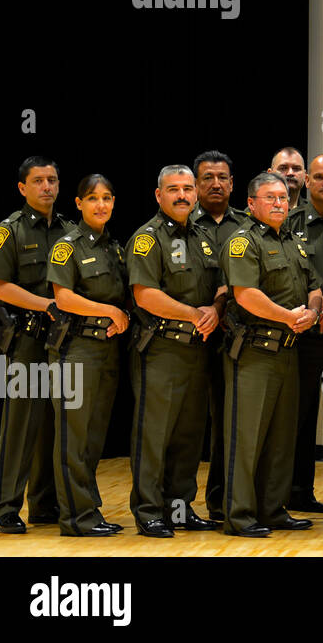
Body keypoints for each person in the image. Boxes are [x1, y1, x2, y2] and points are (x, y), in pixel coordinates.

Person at [220, 172, 322, 537]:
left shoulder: (293, 240)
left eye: (282, 197)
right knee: (246, 438)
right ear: (251, 203)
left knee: (281, 437)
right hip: (254, 352)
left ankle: (273, 509)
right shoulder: (242, 241)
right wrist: (290, 317)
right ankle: (240, 515)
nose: (279, 203)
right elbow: (246, 294)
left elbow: (314, 286)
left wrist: (311, 310)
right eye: (270, 198)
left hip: (288, 350)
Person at [128, 165, 226, 537]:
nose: (182, 195)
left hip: (197, 350)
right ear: (159, 195)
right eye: (173, 189)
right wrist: (193, 314)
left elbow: (221, 284)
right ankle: (149, 510)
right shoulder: (147, 238)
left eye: (188, 188)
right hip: (162, 350)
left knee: (188, 435)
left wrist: (216, 310)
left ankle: (180, 507)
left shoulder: (203, 237)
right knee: (154, 434)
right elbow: (145, 294)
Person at [0, 157, 69, 534]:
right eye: (38, 181)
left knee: (53, 423)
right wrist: (47, 305)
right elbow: (0, 287)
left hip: (63, 341)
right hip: (28, 340)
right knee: (20, 425)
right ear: (23, 188)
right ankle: (4, 507)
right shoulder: (10, 231)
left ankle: (44, 503)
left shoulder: (69, 230)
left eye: (52, 180)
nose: (47, 187)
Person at [45, 174, 129, 536]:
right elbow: (63, 298)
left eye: (107, 198)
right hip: (75, 350)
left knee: (93, 437)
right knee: (73, 438)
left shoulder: (115, 246)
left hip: (105, 350)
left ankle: (89, 510)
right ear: (78, 204)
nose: (101, 205)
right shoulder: (68, 246)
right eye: (93, 198)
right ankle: (76, 518)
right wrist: (111, 313)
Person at [284, 154, 323, 514]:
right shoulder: (289, 223)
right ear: (308, 182)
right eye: (319, 177)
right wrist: (312, 305)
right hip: (302, 338)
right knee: (300, 418)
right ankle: (296, 492)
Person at [190, 149, 248, 522]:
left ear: (232, 183)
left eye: (222, 177)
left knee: (230, 423)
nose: (215, 183)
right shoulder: (180, 224)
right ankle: (173, 505)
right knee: (188, 425)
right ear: (195, 184)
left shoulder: (244, 225)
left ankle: (221, 501)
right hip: (186, 341)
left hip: (233, 340)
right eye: (207, 177)